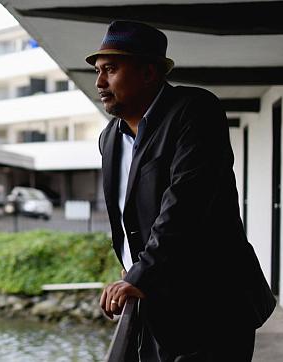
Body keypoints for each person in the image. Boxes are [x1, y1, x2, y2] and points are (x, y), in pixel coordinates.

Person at [88, 20, 276, 361]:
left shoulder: (194, 110)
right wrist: (132, 264)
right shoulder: (110, 138)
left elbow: (185, 204)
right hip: (157, 305)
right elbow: (126, 213)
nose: (100, 82)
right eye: (99, 71)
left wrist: (142, 271)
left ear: (148, 73)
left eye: (111, 69)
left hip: (214, 306)